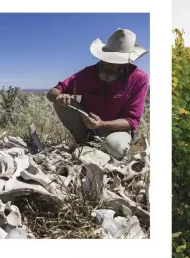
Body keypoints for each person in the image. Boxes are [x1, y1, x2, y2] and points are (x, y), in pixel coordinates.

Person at [46, 28, 149, 161]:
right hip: (87, 126)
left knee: (118, 149)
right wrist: (60, 97)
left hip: (115, 130)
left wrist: (102, 124)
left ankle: (91, 150)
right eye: (109, 61)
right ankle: (84, 143)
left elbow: (131, 121)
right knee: (62, 104)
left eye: (118, 62)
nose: (113, 66)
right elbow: (52, 92)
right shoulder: (86, 74)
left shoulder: (139, 78)